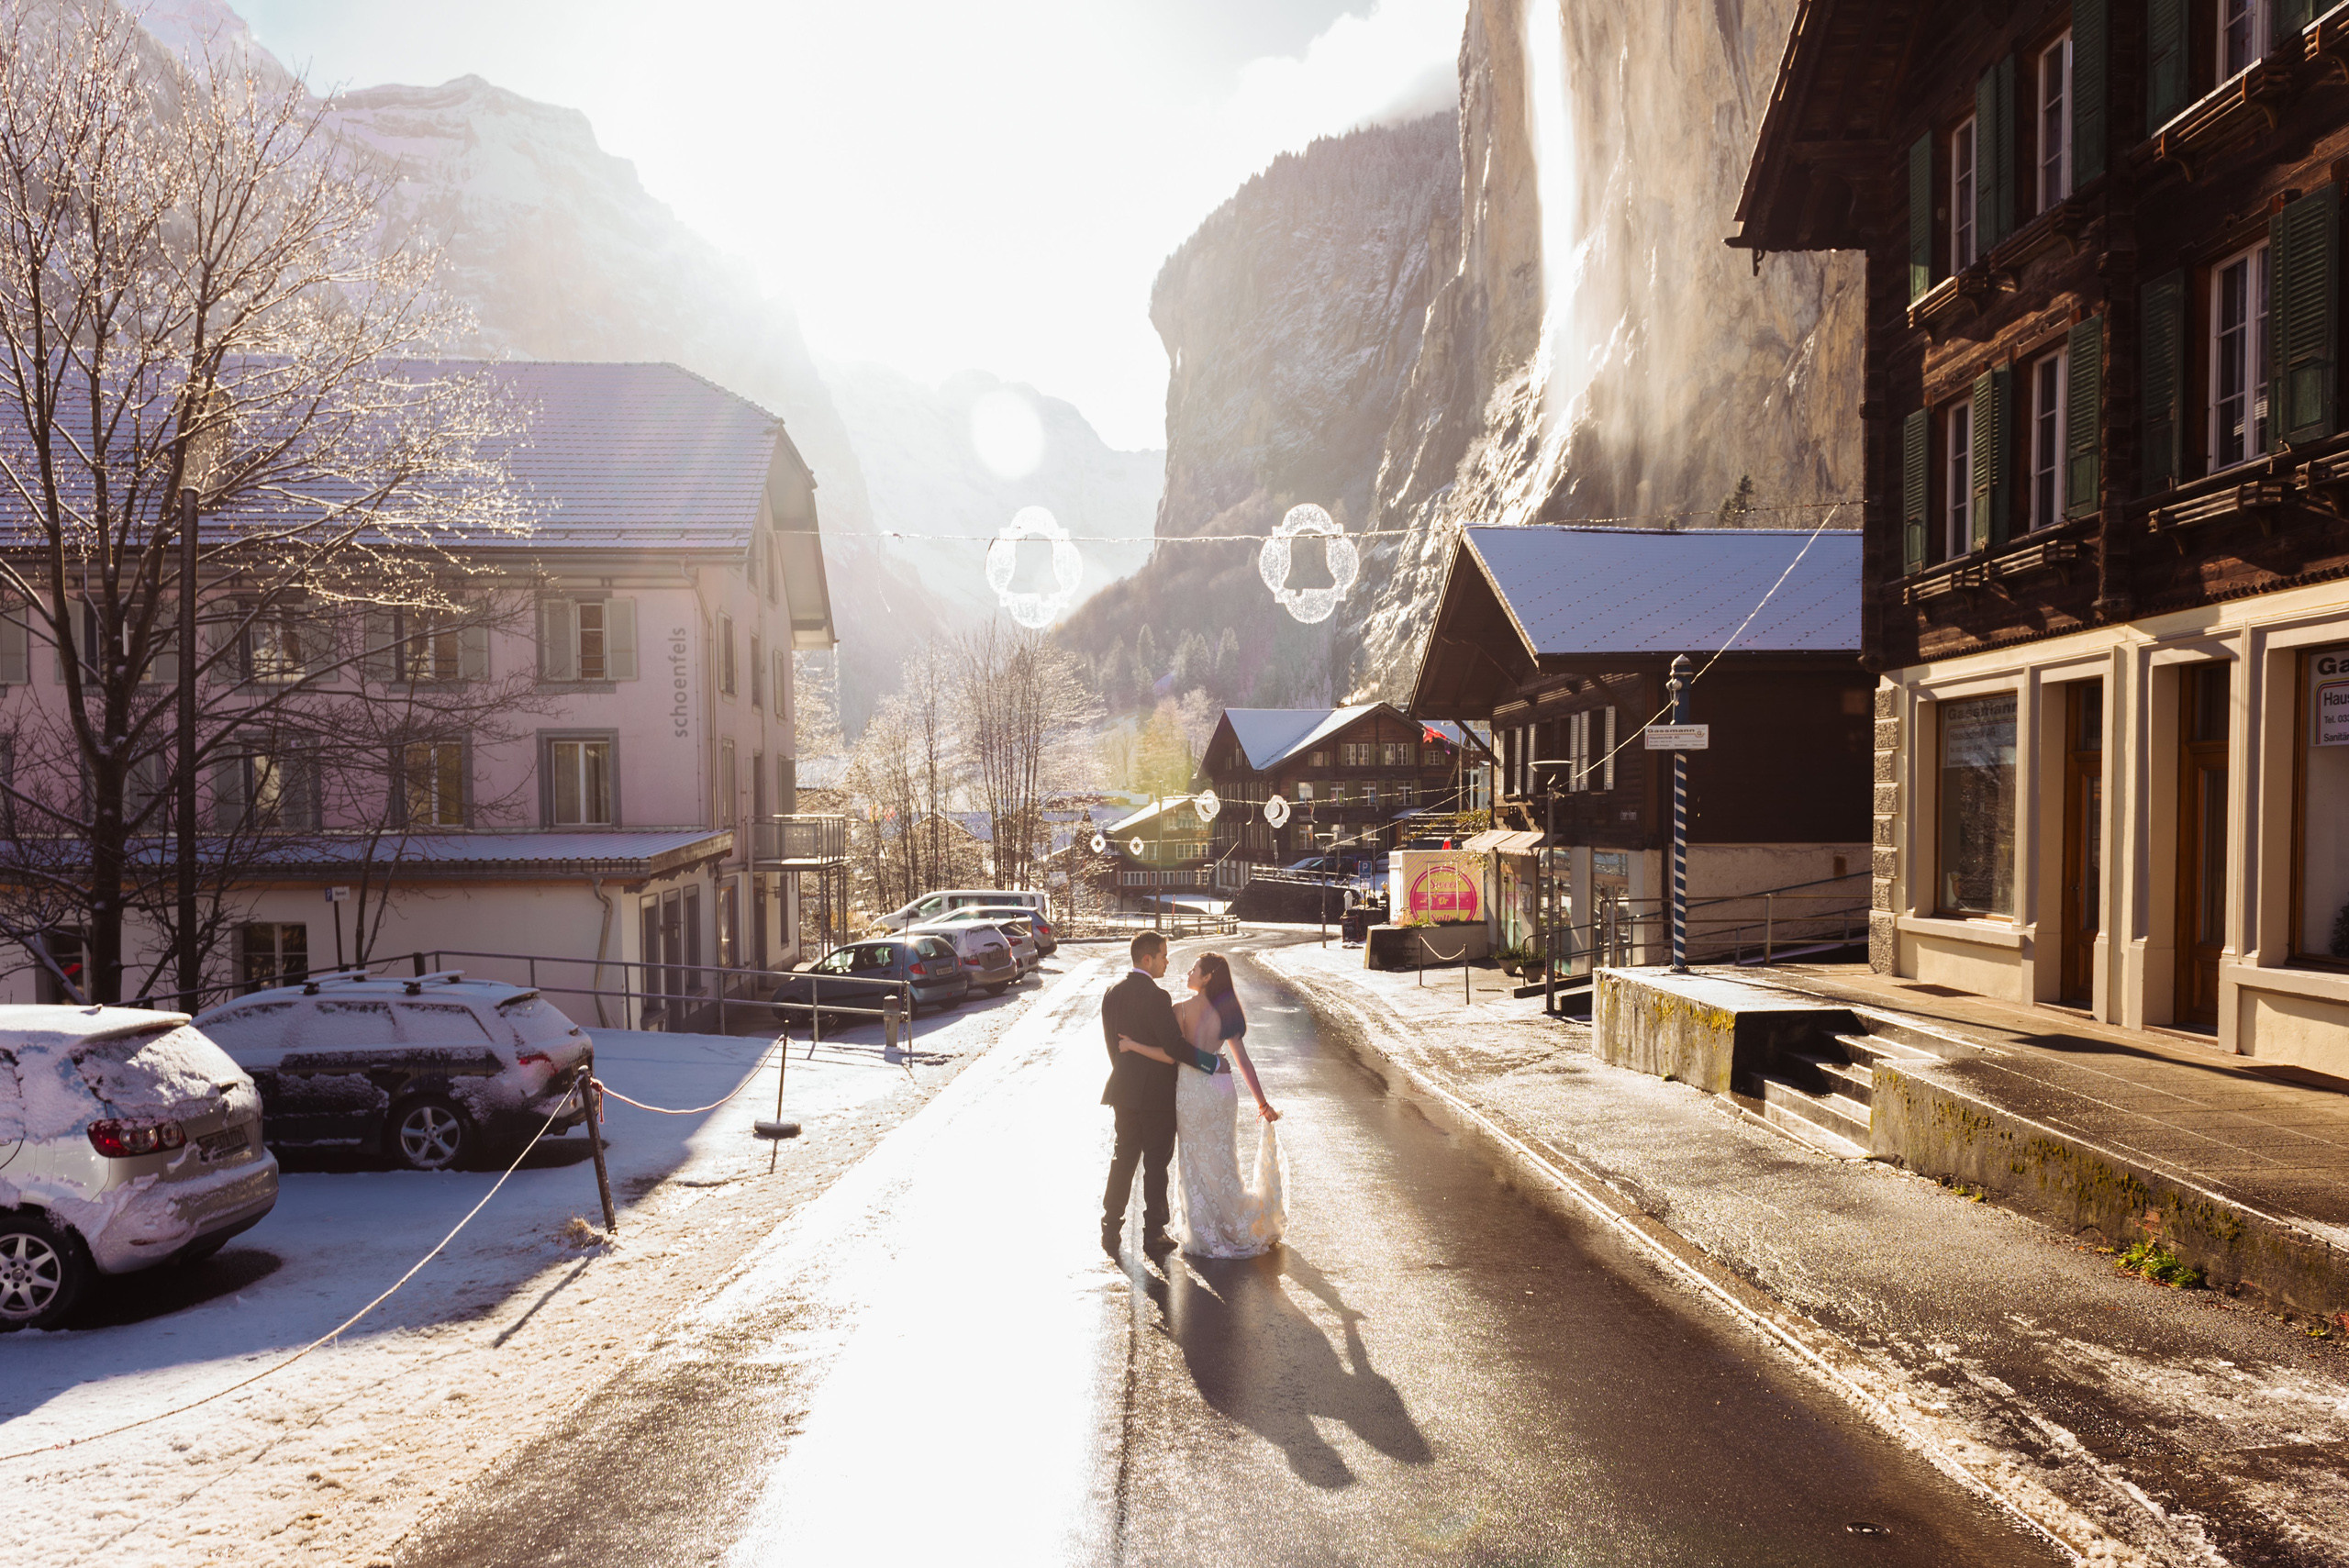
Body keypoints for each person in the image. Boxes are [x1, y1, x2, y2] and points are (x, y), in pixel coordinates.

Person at [1118, 951, 1285, 1258]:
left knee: (1194, 1160)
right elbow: (1243, 1061)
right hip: (1221, 1090)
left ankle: (1203, 1229)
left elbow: (1170, 1054)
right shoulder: (1228, 1012)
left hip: (1192, 1092)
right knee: (1223, 1159)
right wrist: (1262, 1104)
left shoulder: (1179, 1010)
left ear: (1207, 977)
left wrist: (1132, 1045)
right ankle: (1233, 1221)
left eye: (1194, 969)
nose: (1188, 972)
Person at [1100, 930, 1188, 1258]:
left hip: (1123, 1089)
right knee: (1155, 1163)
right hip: (1156, 1095)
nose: (1168, 962)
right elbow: (1174, 1047)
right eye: (1164, 956)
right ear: (1147, 959)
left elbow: (1112, 1044)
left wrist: (1126, 1072)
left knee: (1123, 1158)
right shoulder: (1157, 996)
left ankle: (1110, 1227)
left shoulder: (1112, 992)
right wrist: (1208, 1062)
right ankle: (1153, 1232)